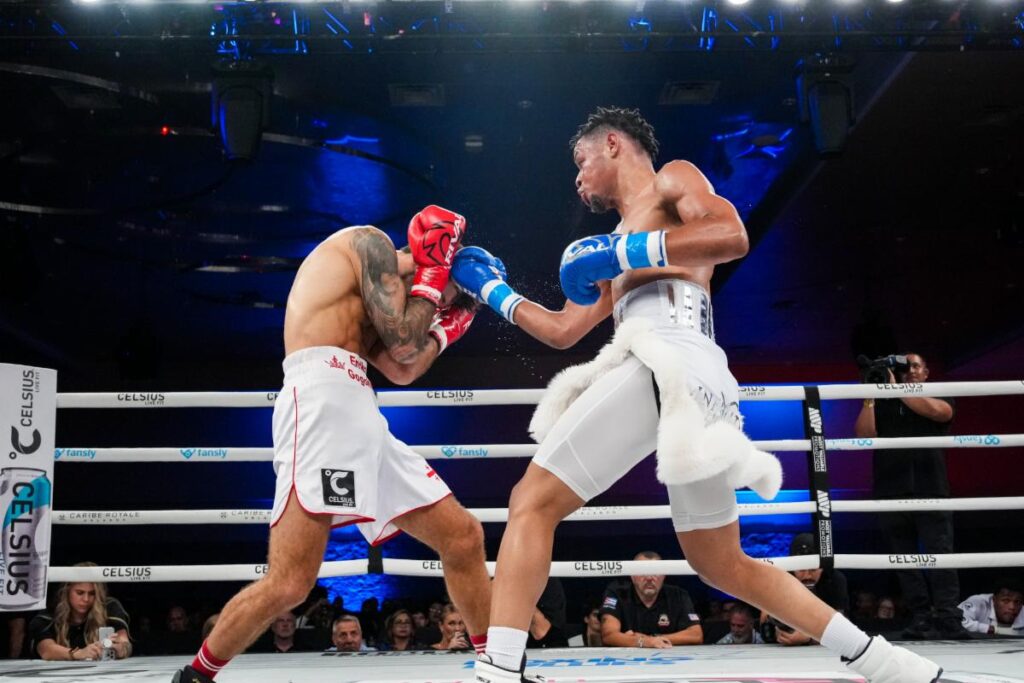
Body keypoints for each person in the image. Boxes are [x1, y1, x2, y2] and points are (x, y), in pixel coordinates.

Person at [454, 106, 942, 683]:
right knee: (721, 561)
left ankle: (499, 669)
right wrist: (491, 290)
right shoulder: (614, 239)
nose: (577, 177)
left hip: (667, 355)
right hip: (693, 378)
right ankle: (881, 661)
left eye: (580, 160)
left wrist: (623, 255)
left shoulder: (671, 181)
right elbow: (565, 330)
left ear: (613, 145)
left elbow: (731, 236)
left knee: (531, 502)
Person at [172, 206, 491, 682]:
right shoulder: (368, 244)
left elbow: (403, 368)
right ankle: (196, 675)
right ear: (441, 260)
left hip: (361, 406)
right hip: (320, 397)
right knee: (291, 582)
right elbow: (405, 343)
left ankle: (499, 666)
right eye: (447, 297)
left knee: (463, 537)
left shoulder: (385, 304)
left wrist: (448, 329)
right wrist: (433, 280)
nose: (437, 308)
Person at [854, 352, 965, 639]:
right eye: (906, 366)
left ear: (926, 372)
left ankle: (948, 616)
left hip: (930, 487)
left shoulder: (937, 395)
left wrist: (896, 390)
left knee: (940, 555)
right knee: (904, 558)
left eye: (916, 366)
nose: (911, 370)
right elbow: (863, 435)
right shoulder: (885, 401)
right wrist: (871, 396)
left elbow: (939, 413)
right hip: (891, 487)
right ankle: (921, 616)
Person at [598, 551, 702, 647]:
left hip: (668, 658)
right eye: (643, 572)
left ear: (663, 575)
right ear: (632, 576)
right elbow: (609, 635)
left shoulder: (678, 595)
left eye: (655, 572)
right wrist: (644, 642)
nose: (649, 578)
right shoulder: (617, 592)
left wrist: (652, 639)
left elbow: (696, 635)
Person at [28, 564, 132, 661]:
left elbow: (124, 641)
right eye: (79, 593)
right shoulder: (50, 613)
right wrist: (79, 653)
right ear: (67, 590)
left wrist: (122, 648)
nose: (86, 599)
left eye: (92, 593)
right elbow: (46, 650)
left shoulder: (109, 607)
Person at [761, 534, 850, 646]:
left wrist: (809, 637)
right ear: (792, 568)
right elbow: (765, 623)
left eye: (813, 569)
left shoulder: (834, 580)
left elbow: (843, 628)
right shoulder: (781, 579)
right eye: (801, 569)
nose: (807, 575)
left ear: (822, 568)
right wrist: (778, 632)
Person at [958, 579, 1024, 636]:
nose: (1012, 607)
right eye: (1006, 600)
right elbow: (955, 622)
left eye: (1017, 601)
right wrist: (997, 630)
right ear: (994, 599)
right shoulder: (978, 602)